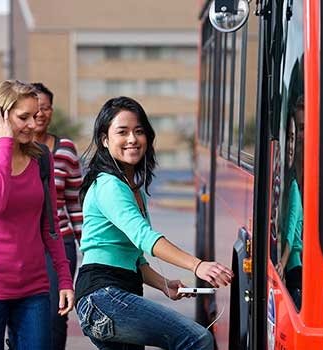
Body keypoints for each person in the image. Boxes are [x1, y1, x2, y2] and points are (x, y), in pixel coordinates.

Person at [74, 96, 234, 350]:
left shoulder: (131, 188)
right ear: (105, 140)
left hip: (111, 295)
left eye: (139, 131)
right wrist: (197, 265)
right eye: (122, 132)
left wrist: (164, 284)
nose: (132, 139)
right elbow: (145, 238)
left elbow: (135, 260)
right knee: (197, 339)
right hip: (103, 296)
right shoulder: (108, 185)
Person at [0, 80, 74, 349]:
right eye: (24, 117)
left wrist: (65, 279)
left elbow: (50, 224)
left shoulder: (41, 157)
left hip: (34, 288)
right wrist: (5, 143)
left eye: (35, 116)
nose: (34, 125)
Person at [32, 82, 83, 349]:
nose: (41, 113)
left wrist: (87, 243)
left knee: (56, 313)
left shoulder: (65, 150)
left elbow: (75, 201)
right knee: (24, 313)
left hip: (60, 242)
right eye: (36, 108)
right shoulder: (11, 150)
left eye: (47, 108)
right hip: (22, 244)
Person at [276, 102, 303, 309]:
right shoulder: (283, 179)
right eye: (290, 138)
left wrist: (282, 264)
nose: (292, 145)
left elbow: (292, 227)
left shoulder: (292, 183)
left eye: (295, 139)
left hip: (295, 266)